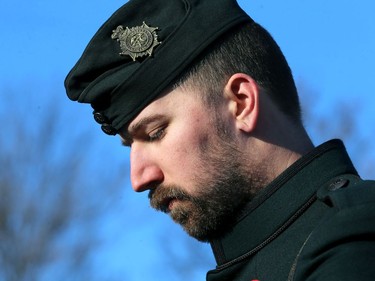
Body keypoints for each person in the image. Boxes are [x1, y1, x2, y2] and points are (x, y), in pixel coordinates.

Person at [65, 0, 375, 280]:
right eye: (130, 146)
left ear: (241, 103)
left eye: (155, 133)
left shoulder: (354, 240)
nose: (139, 178)